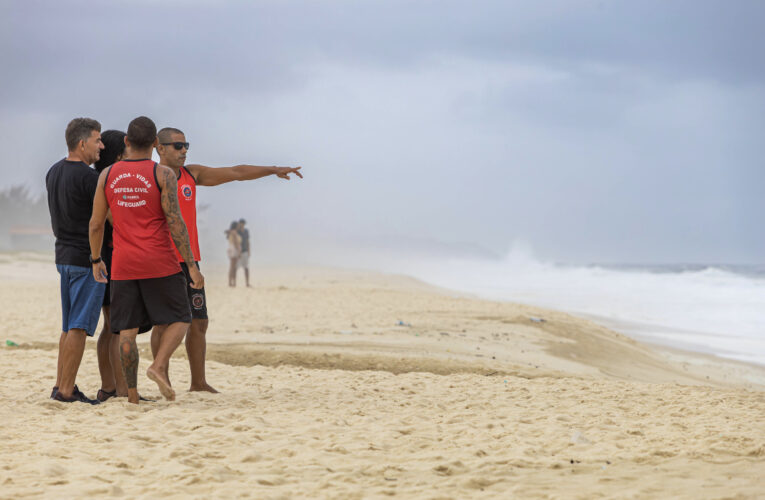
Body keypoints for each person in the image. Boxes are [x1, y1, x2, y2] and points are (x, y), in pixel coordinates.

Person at [150, 126, 302, 393]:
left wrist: (273, 169)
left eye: (187, 145)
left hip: (190, 261)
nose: (184, 150)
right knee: (165, 324)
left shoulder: (191, 174)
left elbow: (236, 173)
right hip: (163, 260)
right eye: (178, 146)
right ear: (159, 148)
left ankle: (198, 382)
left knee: (200, 321)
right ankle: (164, 375)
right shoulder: (151, 177)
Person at [89, 116, 204, 404]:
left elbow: (96, 224)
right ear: (155, 144)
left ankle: (132, 396)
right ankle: (159, 365)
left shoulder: (107, 175)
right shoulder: (162, 174)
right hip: (160, 261)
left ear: (127, 141)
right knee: (181, 318)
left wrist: (95, 259)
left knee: (126, 330)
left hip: (124, 263)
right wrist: (190, 264)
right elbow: (175, 222)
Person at [46, 117, 105, 404]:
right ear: (82, 143)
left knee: (69, 325)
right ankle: (66, 391)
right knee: (79, 326)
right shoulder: (89, 178)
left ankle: (61, 384)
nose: (101, 146)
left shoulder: (53, 171)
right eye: (97, 140)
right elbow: (101, 221)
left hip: (63, 255)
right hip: (85, 258)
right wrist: (97, 258)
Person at [92, 130, 129, 401]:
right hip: (111, 256)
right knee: (117, 326)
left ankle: (109, 386)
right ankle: (118, 388)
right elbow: (115, 221)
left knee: (110, 326)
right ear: (118, 155)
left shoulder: (98, 178)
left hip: (102, 255)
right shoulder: (107, 181)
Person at [226, 221, 241, 287]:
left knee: (233, 267)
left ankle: (232, 282)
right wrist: (239, 251)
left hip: (232, 249)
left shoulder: (232, 232)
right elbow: (236, 243)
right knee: (233, 267)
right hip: (234, 249)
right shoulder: (234, 232)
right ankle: (231, 282)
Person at [237, 218, 251, 287]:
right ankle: (233, 283)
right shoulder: (237, 231)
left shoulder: (246, 231)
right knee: (235, 268)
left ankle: (247, 283)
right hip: (237, 253)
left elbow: (248, 241)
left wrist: (249, 251)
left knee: (246, 268)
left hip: (245, 251)